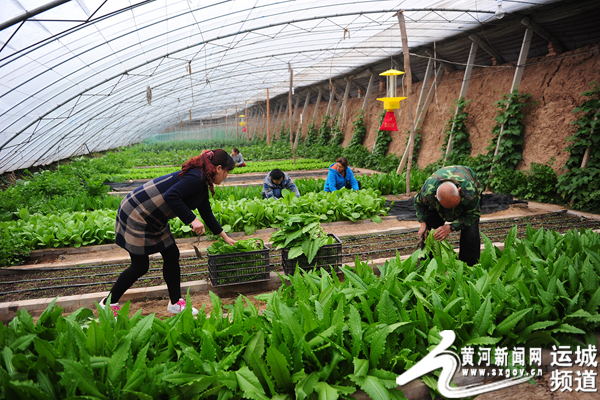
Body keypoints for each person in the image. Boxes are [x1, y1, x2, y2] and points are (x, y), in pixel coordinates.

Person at [100, 149, 237, 317]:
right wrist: (192, 219)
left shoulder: (202, 181)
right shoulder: (197, 178)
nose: (226, 176)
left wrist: (225, 237)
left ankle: (175, 302)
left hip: (153, 216)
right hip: (137, 212)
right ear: (218, 168)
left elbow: (206, 212)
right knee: (140, 266)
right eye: (227, 172)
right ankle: (108, 304)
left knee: (171, 253)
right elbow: (171, 196)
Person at [414, 165, 482, 266]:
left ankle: (469, 267)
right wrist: (423, 224)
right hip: (439, 198)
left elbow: (473, 214)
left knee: (470, 233)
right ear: (436, 198)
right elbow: (418, 203)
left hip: (467, 188)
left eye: (455, 204)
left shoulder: (470, 192)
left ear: (459, 191)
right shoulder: (428, 192)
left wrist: (451, 227)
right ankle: (429, 264)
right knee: (430, 231)